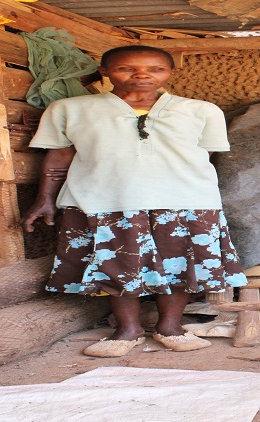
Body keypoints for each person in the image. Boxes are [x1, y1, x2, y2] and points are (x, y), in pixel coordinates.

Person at [20, 45, 248, 357]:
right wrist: (43, 199)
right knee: (115, 265)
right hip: (102, 198)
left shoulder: (202, 110)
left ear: (171, 73)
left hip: (186, 200)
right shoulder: (69, 109)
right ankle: (127, 329)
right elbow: (59, 156)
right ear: (104, 72)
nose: (142, 75)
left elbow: (201, 157)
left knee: (180, 265)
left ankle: (171, 327)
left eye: (155, 69)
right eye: (127, 68)